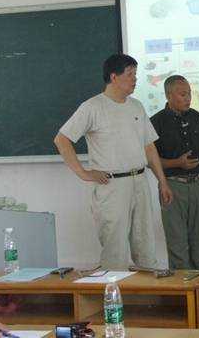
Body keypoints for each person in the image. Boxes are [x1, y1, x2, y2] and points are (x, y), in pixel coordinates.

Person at [54, 54, 173, 270]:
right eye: (130, 74)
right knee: (115, 250)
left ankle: (145, 289)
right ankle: (113, 290)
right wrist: (84, 173)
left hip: (140, 181)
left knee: (146, 245)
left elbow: (148, 146)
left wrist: (162, 181)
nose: (135, 79)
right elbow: (62, 139)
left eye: (135, 74)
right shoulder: (92, 107)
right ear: (113, 77)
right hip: (112, 185)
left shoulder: (136, 106)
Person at [150, 75, 199, 270]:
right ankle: (182, 283)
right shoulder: (156, 122)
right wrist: (177, 163)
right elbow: (149, 160)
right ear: (168, 96)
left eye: (189, 93)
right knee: (177, 239)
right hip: (172, 185)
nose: (188, 98)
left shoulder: (197, 117)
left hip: (197, 184)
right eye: (182, 94)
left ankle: (196, 277)